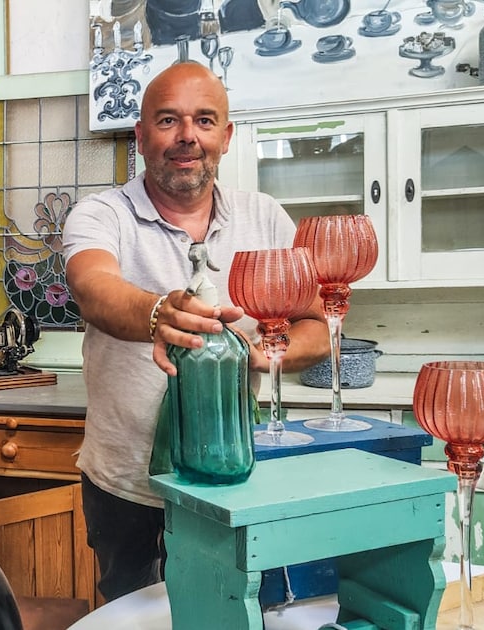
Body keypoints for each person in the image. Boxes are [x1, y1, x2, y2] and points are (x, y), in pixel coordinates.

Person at [61, 61, 330, 601]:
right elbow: (93, 287)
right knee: (133, 614)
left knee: (234, 607)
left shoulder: (267, 218)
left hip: (233, 475)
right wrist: (159, 312)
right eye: (167, 121)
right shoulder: (101, 214)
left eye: (204, 121)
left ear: (225, 137)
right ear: (140, 136)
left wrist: (263, 354)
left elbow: (319, 325)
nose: (188, 137)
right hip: (127, 486)